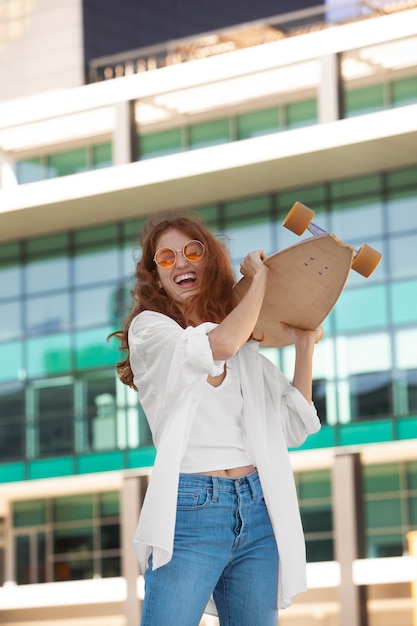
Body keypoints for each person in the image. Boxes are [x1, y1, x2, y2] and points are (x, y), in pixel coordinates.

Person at [113, 212, 323, 626]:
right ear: (155, 276)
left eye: (193, 251)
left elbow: (293, 427)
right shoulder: (151, 329)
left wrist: (304, 345)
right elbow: (219, 346)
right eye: (167, 258)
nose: (182, 262)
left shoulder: (242, 346)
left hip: (259, 508)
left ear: (209, 261)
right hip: (192, 509)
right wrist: (259, 282)